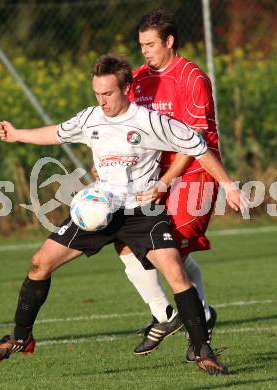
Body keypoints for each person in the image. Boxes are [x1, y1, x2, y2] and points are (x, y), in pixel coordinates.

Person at [0, 54, 247, 376]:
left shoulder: (150, 121)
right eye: (97, 93)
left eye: (107, 93)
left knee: (176, 271)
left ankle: (203, 350)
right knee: (40, 263)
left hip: (142, 211)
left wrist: (229, 187)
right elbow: (58, 132)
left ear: (126, 87)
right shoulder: (91, 118)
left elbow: (197, 146)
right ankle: (20, 338)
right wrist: (17, 134)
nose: (102, 100)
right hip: (100, 208)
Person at [112, 9, 222, 361]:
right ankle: (187, 316)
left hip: (194, 176)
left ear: (169, 41)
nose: (143, 51)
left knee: (168, 251)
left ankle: (186, 323)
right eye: (140, 44)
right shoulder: (140, 79)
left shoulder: (192, 78)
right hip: (153, 177)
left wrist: (165, 181)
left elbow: (195, 142)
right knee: (128, 246)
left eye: (150, 44)